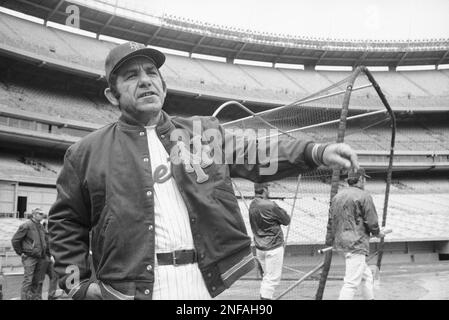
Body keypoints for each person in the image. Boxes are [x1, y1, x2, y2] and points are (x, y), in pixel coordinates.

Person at [48, 41, 360, 300]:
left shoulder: (201, 134)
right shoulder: (85, 152)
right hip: (128, 290)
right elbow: (65, 223)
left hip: (200, 282)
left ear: (164, 87)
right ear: (111, 95)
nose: (145, 80)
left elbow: (257, 153)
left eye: (152, 72)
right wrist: (78, 286)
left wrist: (315, 151)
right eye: (130, 76)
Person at [330, 168, 386, 300]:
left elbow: (332, 220)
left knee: (366, 276)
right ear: (360, 179)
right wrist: (378, 233)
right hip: (356, 244)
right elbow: (372, 222)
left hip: (340, 244)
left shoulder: (337, 196)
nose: (365, 181)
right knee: (351, 283)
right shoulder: (364, 196)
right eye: (364, 178)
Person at [249, 183, 290, 300]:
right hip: (273, 246)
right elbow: (286, 220)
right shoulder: (270, 205)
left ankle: (266, 297)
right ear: (265, 190)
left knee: (267, 277)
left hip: (260, 247)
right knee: (272, 280)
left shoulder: (252, 204)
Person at [11, 208, 47, 300]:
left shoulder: (41, 226)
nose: (42, 215)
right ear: (34, 215)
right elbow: (15, 240)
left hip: (40, 257)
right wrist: (20, 253)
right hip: (29, 257)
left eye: (43, 214)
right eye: (40, 213)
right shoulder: (26, 225)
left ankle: (33, 298)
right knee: (28, 281)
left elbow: (45, 240)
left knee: (37, 280)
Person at [36, 219, 59, 300]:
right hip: (42, 258)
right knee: (40, 279)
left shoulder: (51, 234)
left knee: (54, 276)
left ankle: (51, 295)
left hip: (50, 257)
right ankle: (38, 297)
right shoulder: (40, 234)